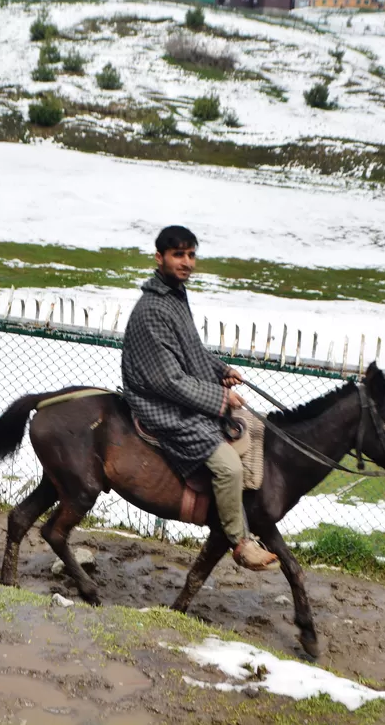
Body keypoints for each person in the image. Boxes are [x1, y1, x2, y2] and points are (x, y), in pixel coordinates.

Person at [120, 225, 278, 571]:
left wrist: (220, 369)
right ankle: (238, 541)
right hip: (161, 405)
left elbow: (190, 350)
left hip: (178, 394)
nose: (187, 262)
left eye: (191, 255)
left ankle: (241, 509)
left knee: (255, 428)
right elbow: (169, 380)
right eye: (179, 255)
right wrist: (221, 399)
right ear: (159, 257)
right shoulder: (152, 310)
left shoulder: (175, 295)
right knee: (228, 465)